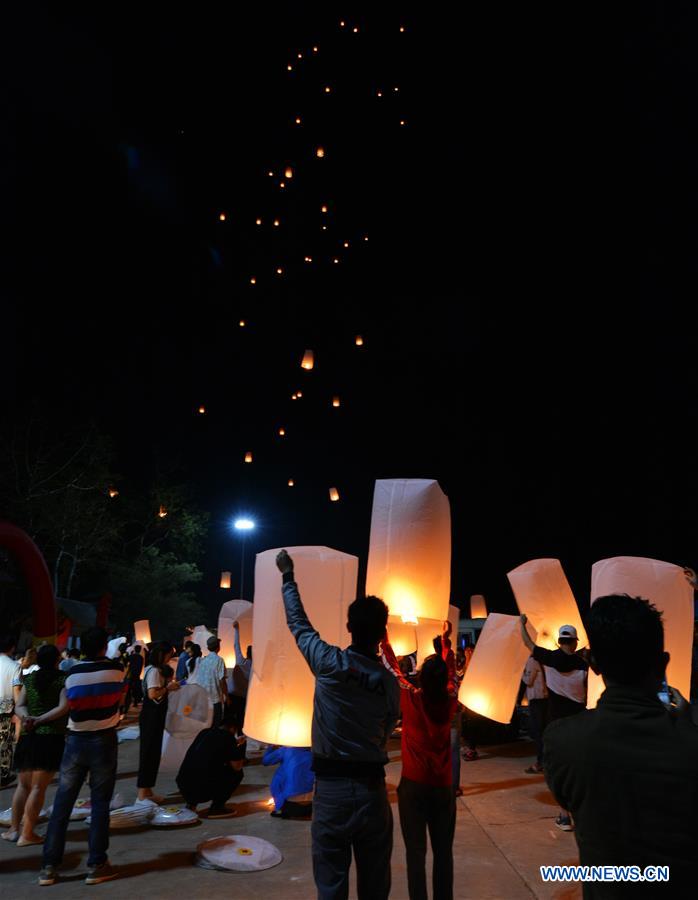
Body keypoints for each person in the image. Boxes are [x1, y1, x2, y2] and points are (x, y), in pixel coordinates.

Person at [544, 594, 698, 899]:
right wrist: (687, 722)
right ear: (663, 664)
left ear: (594, 664)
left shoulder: (562, 741)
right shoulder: (689, 742)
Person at [275, 549, 400, 900]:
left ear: (349, 628)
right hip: (372, 790)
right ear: (383, 633)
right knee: (375, 885)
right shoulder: (388, 683)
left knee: (331, 884)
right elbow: (389, 726)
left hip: (331, 792)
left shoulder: (328, 662)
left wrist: (288, 576)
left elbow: (298, 624)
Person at [39, 626, 126, 886]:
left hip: (75, 740)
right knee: (100, 805)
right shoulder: (117, 670)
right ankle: (97, 864)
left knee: (63, 803)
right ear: (104, 647)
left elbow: (69, 703)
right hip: (104, 740)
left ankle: (49, 866)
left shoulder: (72, 673)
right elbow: (119, 698)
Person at [383, 621, 459, 900]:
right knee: (444, 853)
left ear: (421, 678)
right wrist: (446, 643)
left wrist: (384, 636)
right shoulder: (450, 698)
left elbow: (393, 669)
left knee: (415, 854)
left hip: (413, 787)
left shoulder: (411, 697)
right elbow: (451, 672)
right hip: (443, 787)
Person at [520, 617, 588, 830]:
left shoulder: (549, 658)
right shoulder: (584, 664)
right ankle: (581, 812)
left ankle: (564, 815)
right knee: (578, 769)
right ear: (575, 643)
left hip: (556, 724)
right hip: (579, 722)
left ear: (559, 641)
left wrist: (522, 624)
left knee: (559, 770)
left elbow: (528, 643)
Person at [2, 645, 68, 845]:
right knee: (38, 787)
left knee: (23, 786)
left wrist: (28, 718)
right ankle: (27, 834)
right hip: (50, 737)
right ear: (57, 660)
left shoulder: (30, 679)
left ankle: (14, 830)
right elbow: (63, 707)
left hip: (28, 736)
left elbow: (20, 705)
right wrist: (41, 720)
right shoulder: (63, 679)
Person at [176, 707, 244, 817]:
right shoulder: (228, 737)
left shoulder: (204, 732)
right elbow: (237, 766)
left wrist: (235, 743)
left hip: (183, 785)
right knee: (237, 773)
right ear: (232, 728)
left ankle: (191, 805)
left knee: (201, 768)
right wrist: (237, 749)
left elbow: (213, 747)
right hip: (202, 789)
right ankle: (217, 808)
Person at [136, 641, 179, 803]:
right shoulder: (154, 671)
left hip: (154, 715)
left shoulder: (151, 669)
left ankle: (147, 791)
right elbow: (152, 694)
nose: (170, 658)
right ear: (162, 654)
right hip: (151, 716)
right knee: (148, 753)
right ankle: (142, 794)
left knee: (153, 753)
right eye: (169, 655)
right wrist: (169, 688)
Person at [263, 746, 314, 818]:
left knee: (280, 776)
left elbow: (266, 761)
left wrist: (270, 747)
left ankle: (279, 809)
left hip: (290, 806)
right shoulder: (316, 752)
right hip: (314, 806)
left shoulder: (285, 750)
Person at [522, 655, 548, 774]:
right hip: (545, 699)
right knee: (543, 731)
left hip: (537, 700)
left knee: (538, 732)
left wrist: (520, 672)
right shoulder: (543, 659)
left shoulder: (532, 661)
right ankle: (544, 761)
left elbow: (528, 680)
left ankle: (540, 762)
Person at [0, 634, 20, 788]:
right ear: (12, 648)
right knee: (4, 744)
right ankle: (2, 777)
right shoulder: (14, 666)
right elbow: (16, 691)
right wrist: (19, 711)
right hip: (5, 710)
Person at [195, 636, 227, 726]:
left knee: (206, 726)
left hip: (203, 698)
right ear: (218, 647)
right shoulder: (219, 660)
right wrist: (227, 696)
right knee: (215, 725)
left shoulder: (203, 660)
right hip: (215, 699)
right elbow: (222, 681)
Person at [229, 622, 251, 733]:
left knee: (231, 718)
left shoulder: (240, 661)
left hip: (232, 694)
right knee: (241, 718)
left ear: (247, 653)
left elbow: (236, 645)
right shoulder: (255, 668)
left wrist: (237, 629)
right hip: (244, 696)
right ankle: (240, 736)